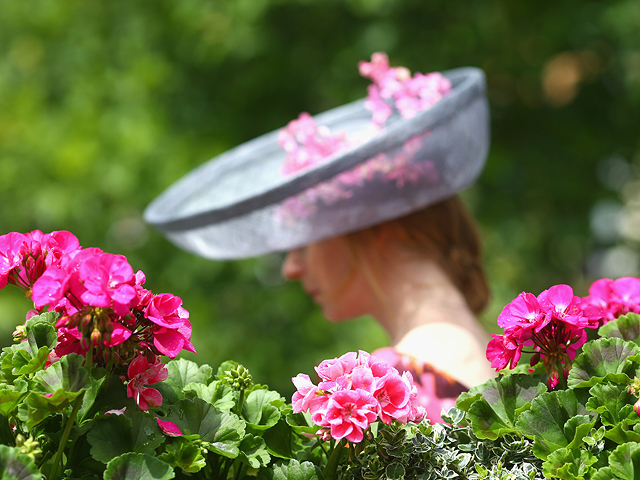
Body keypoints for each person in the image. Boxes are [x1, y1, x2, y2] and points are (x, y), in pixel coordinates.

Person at [145, 53, 494, 421]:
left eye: (303, 238)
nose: (291, 268)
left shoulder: (386, 400)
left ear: (372, 224)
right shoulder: (519, 380)